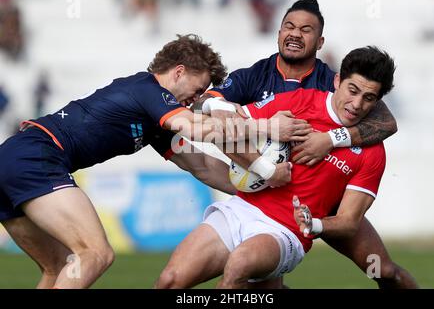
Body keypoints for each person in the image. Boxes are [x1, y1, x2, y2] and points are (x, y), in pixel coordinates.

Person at [0, 34, 292, 289]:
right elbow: (197, 128)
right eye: (198, 88)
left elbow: (202, 166)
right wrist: (266, 127)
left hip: (15, 159)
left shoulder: (158, 122)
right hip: (36, 156)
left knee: (60, 266)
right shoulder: (149, 90)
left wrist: (261, 193)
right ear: (179, 72)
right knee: (95, 254)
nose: (196, 98)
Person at [183, 0, 416, 288]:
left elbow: (386, 123)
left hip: (328, 202)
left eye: (306, 30)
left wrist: (330, 139)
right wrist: (223, 111)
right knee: (259, 282)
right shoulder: (254, 76)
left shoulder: (332, 81)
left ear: (320, 42)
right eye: (289, 26)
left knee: (382, 270)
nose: (295, 33)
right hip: (270, 194)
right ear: (278, 32)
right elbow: (204, 106)